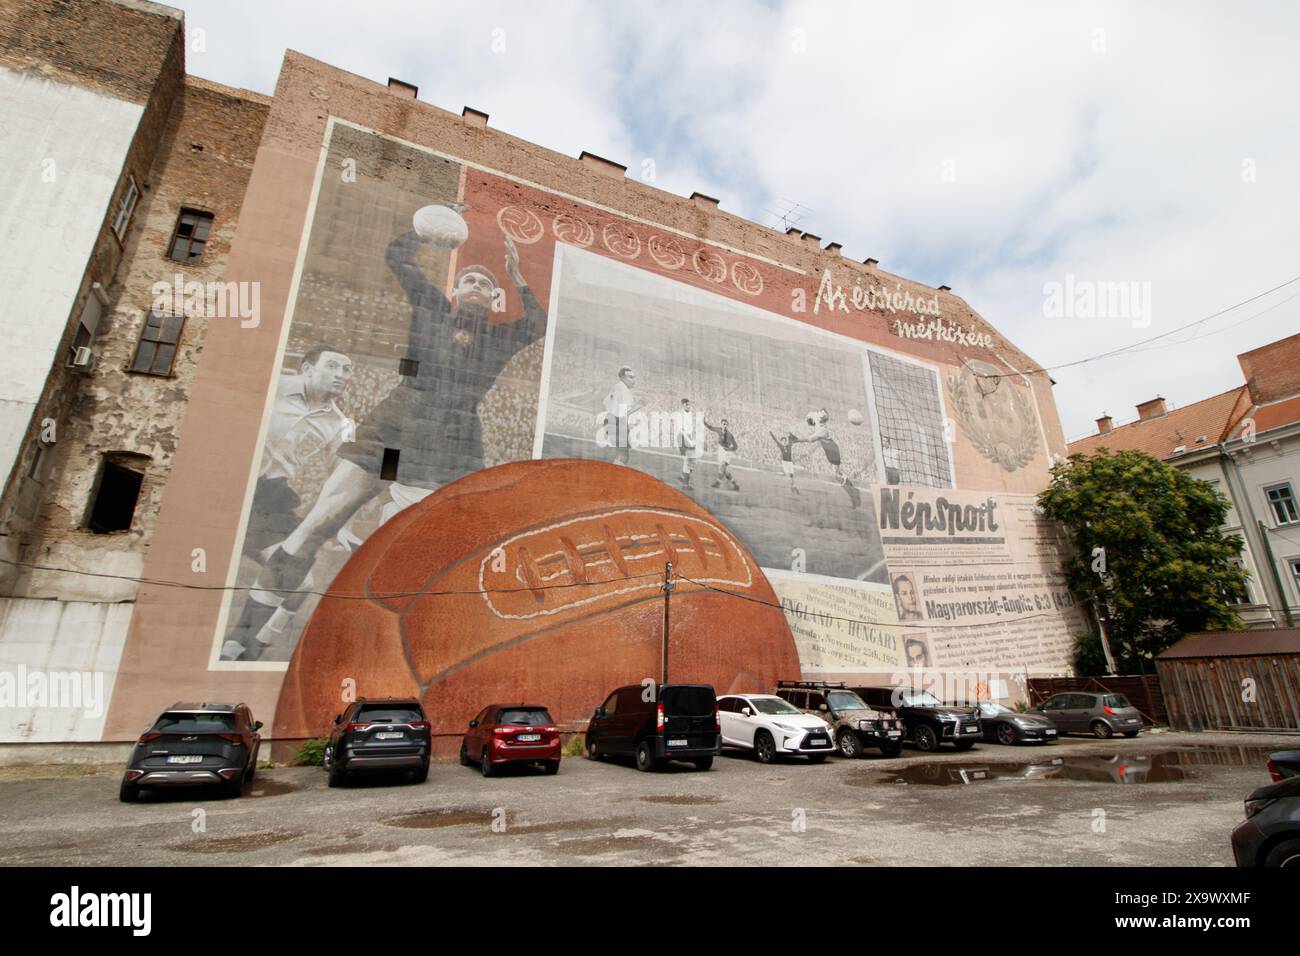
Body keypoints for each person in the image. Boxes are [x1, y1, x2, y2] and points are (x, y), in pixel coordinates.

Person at [223, 214, 546, 660]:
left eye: (483, 284)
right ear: (454, 291)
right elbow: (397, 256)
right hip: (395, 431)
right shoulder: (431, 307)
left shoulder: (499, 339)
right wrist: (426, 232)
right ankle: (243, 638)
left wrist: (517, 278)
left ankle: (376, 646)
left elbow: (538, 323)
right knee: (320, 522)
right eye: (467, 278)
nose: (472, 284)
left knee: (410, 551)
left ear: (493, 299)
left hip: (446, 446)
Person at [603, 366, 644, 466]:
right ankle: (614, 478)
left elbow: (605, 402)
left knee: (622, 453)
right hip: (617, 421)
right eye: (630, 377)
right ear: (622, 378)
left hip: (612, 420)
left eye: (634, 377)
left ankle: (615, 476)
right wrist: (639, 405)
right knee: (623, 455)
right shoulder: (624, 390)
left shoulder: (617, 387)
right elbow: (623, 413)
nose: (633, 380)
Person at [704, 417, 739, 490]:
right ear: (721, 424)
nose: (724, 425)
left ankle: (718, 483)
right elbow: (710, 427)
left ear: (727, 425)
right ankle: (735, 485)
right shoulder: (719, 430)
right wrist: (704, 422)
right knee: (725, 472)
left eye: (726, 424)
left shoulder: (729, 435)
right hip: (721, 451)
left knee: (722, 467)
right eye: (723, 424)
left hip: (727, 452)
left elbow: (736, 446)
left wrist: (729, 449)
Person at [676, 398, 698, 488]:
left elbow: (690, 428)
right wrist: (690, 441)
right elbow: (681, 431)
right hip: (683, 438)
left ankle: (682, 477)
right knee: (688, 462)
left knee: (692, 461)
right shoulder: (680, 415)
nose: (688, 406)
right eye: (686, 405)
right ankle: (685, 484)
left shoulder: (689, 413)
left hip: (689, 438)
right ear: (682, 405)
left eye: (689, 404)